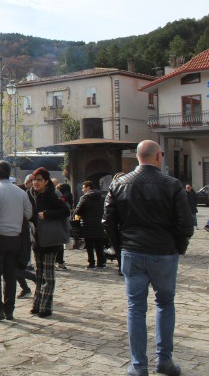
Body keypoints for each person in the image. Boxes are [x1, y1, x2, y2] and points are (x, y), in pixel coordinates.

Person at [103, 140, 193, 376]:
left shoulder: (119, 184)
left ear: (137, 157)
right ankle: (164, 360)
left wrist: (120, 248)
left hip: (133, 252)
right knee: (164, 304)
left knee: (136, 308)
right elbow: (186, 224)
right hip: (164, 253)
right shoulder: (172, 185)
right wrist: (178, 248)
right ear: (158, 157)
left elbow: (108, 222)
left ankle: (139, 366)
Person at [0, 160, 33, 321]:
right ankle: (9, 309)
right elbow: (29, 213)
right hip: (14, 238)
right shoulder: (21, 192)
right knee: (10, 274)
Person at [28, 167, 70, 318]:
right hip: (37, 239)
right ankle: (37, 303)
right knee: (39, 274)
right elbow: (29, 213)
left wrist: (46, 214)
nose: (36, 182)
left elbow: (65, 211)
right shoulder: (30, 194)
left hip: (51, 240)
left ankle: (46, 307)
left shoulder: (52, 195)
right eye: (34, 179)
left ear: (46, 181)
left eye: (39, 180)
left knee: (49, 275)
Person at [74, 180, 106, 269]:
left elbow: (77, 212)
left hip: (87, 224)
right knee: (99, 245)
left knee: (89, 245)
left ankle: (91, 263)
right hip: (100, 225)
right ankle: (101, 262)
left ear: (88, 187)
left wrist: (76, 222)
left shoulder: (84, 198)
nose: (82, 190)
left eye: (83, 188)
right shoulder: (102, 197)